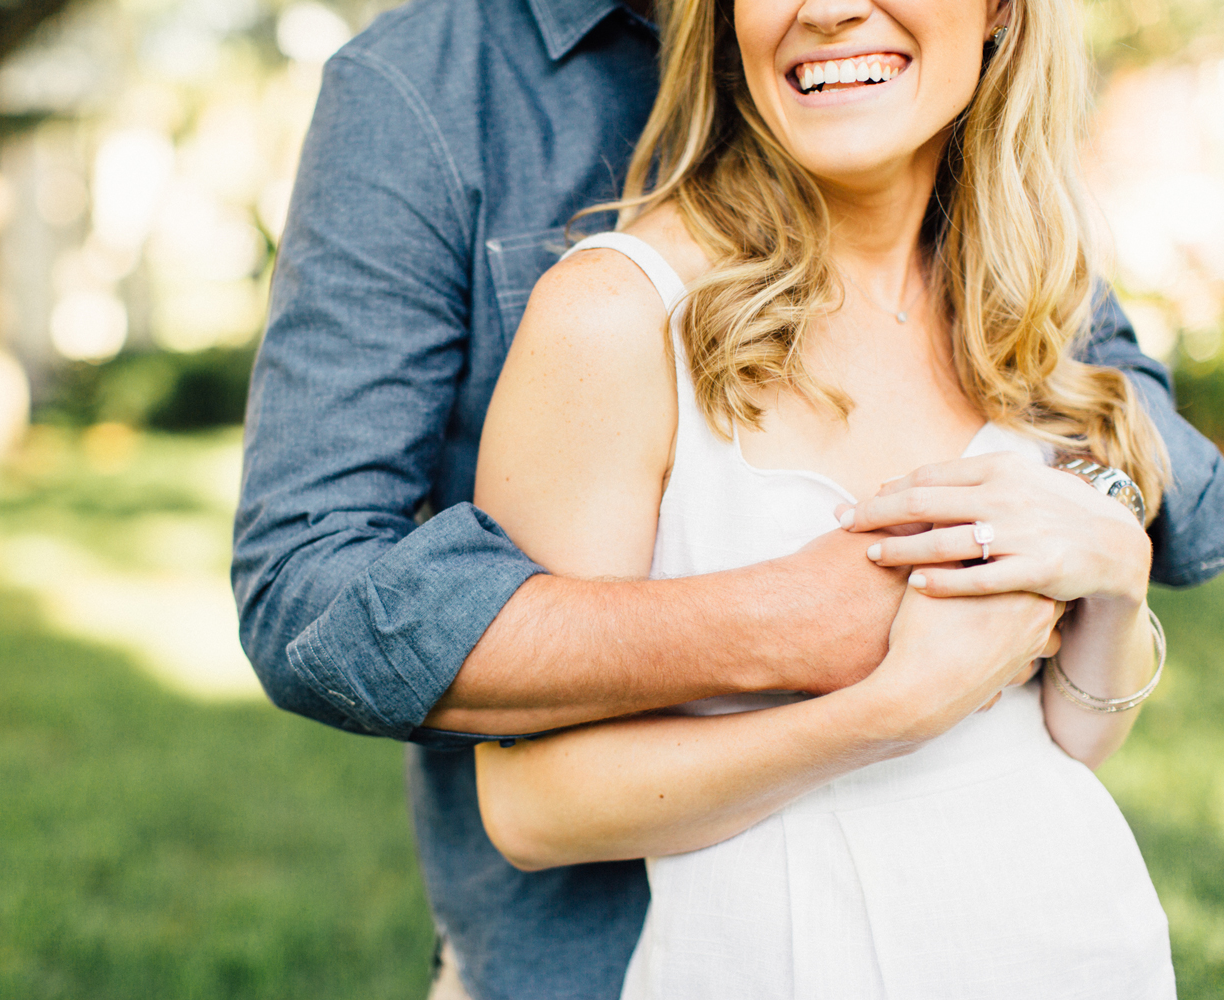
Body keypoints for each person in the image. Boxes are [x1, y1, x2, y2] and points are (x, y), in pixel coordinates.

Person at [230, 0, 1224, 997]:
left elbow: (1141, 462)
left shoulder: (1009, 260)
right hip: (618, 958)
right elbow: (310, 591)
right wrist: (815, 641)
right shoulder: (464, 124)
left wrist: (1106, 542)